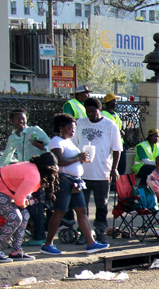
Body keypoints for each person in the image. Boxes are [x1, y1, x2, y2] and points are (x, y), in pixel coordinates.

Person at [41, 113, 109, 255]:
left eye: (73, 129)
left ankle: (91, 243)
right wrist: (78, 157)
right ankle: (48, 244)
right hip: (64, 181)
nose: (73, 131)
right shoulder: (56, 142)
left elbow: (71, 159)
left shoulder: (68, 142)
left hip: (75, 182)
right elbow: (58, 161)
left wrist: (81, 160)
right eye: (70, 128)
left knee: (82, 211)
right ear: (61, 128)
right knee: (59, 212)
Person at [76, 98, 122, 245]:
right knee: (82, 206)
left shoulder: (109, 125)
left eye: (93, 112)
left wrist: (114, 168)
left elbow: (117, 149)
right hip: (82, 172)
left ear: (99, 110)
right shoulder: (80, 123)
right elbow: (74, 143)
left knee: (101, 204)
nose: (90, 114)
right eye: (88, 111)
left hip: (102, 171)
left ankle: (100, 231)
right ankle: (85, 232)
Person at [0, 153, 58, 262]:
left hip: (4, 191)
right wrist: (25, 202)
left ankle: (16, 251)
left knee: (25, 215)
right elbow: (19, 199)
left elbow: (21, 194)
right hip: (2, 191)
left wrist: (25, 201)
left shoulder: (32, 168)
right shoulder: (34, 175)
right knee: (15, 217)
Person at [4, 109, 50, 247]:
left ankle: (40, 235)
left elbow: (50, 147)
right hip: (23, 176)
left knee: (36, 205)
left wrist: (39, 146)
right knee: (26, 206)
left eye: (23, 119)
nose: (21, 121)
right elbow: (6, 155)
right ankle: (26, 234)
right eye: (18, 119)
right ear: (12, 121)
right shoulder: (13, 138)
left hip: (37, 174)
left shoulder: (34, 131)